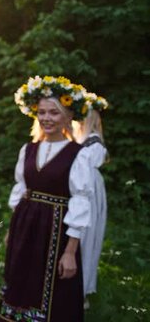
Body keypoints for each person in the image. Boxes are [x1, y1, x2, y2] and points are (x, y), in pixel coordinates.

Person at [0, 76, 93, 321]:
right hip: (25, 226)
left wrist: (70, 251)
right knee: (19, 281)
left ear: (67, 116)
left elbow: (81, 202)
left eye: (54, 112)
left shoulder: (78, 155)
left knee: (52, 291)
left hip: (55, 232)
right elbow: (20, 190)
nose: (46, 118)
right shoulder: (28, 149)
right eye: (41, 112)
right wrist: (12, 230)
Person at [74, 93, 108, 302]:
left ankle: (81, 290)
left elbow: (84, 176)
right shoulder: (81, 141)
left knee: (85, 238)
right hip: (80, 190)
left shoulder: (94, 144)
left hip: (88, 194)